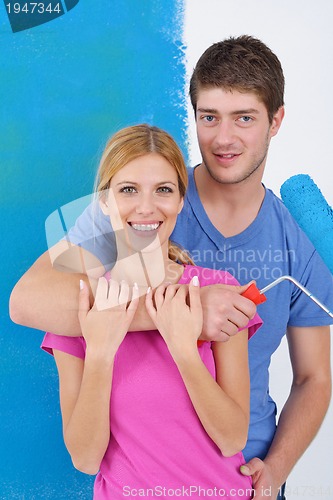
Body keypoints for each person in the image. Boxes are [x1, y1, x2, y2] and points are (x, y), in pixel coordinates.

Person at [10, 36, 333, 499]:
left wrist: (276, 470)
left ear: (275, 120)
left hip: (242, 478)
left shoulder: (296, 241)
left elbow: (313, 378)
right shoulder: (141, 206)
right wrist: (186, 310)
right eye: (209, 117)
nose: (224, 138)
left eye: (244, 118)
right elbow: (28, 301)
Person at [41, 124, 262, 499]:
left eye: (163, 189)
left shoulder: (216, 291)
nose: (147, 207)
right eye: (128, 189)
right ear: (105, 201)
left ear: (180, 201)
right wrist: (100, 354)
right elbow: (85, 458)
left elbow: (231, 438)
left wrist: (184, 351)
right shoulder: (80, 307)